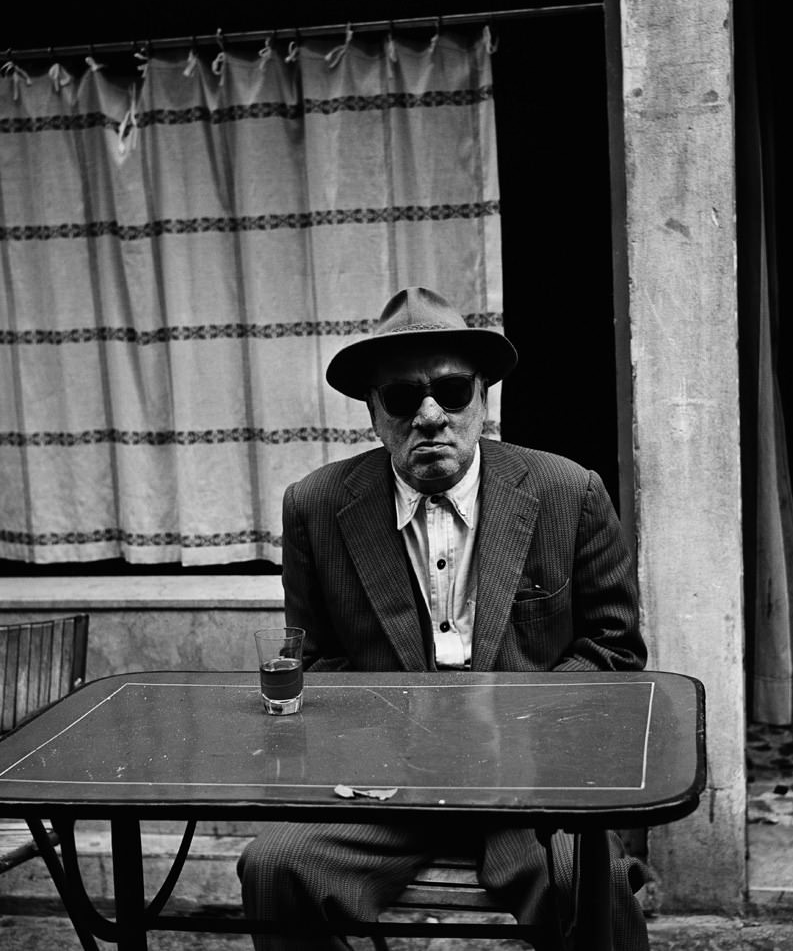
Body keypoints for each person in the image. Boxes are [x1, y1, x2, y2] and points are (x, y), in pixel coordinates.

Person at [238, 287, 651, 949]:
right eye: (402, 399)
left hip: (528, 785)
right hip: (385, 785)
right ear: (373, 415)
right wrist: (387, 742)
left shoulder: (570, 492)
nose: (429, 415)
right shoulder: (315, 506)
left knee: (585, 880)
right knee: (272, 866)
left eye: (452, 391)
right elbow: (311, 661)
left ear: (483, 400)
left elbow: (614, 654)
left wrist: (512, 732)